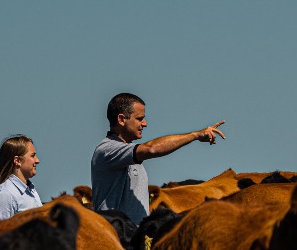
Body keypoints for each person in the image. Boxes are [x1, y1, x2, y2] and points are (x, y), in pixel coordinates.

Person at [91, 92, 226, 225]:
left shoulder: (127, 152)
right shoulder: (107, 149)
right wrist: (195, 135)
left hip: (132, 236)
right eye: (139, 118)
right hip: (116, 237)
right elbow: (151, 148)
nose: (145, 124)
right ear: (121, 119)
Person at [0, 135, 43, 222]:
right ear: (17, 161)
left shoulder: (31, 191)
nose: (37, 160)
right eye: (32, 156)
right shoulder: (5, 195)